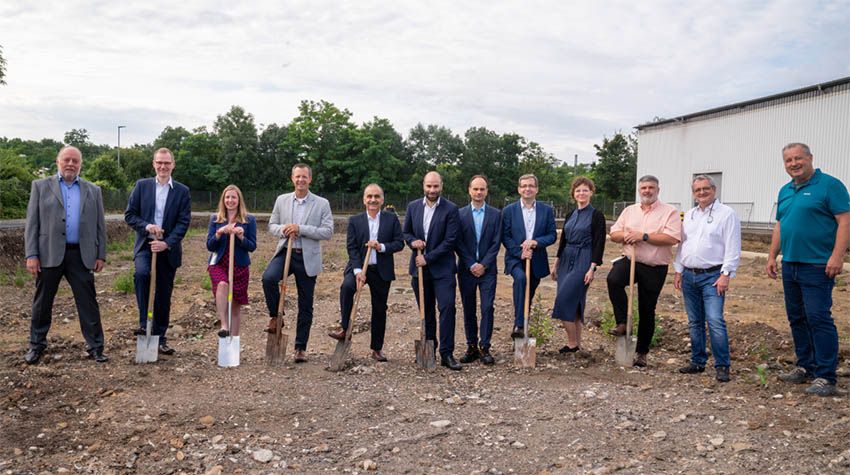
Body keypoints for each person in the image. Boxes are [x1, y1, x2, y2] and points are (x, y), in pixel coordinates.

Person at [767, 143, 850, 397]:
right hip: (790, 264)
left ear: (810, 158)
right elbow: (781, 225)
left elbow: (845, 220)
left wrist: (837, 256)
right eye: (788, 160)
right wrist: (772, 256)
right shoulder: (785, 190)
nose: (793, 163)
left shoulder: (829, 185)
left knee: (818, 318)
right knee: (797, 318)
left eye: (798, 158)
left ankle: (827, 376)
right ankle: (805, 366)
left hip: (817, 265)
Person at [23, 146, 108, 364]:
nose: (71, 164)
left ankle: (96, 347)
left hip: (81, 255)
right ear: (58, 161)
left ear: (81, 164)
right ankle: (36, 345)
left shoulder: (93, 190)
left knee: (88, 302)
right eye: (67, 160)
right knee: (42, 303)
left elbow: (100, 226)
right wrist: (31, 254)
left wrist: (101, 254)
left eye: (75, 161)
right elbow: (32, 224)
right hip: (49, 253)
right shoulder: (41, 187)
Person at [607, 175, 681, 368]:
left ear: (658, 189)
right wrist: (626, 235)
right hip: (630, 259)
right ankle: (622, 322)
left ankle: (641, 352)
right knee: (613, 280)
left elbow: (672, 238)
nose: (647, 191)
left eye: (651, 187)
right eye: (643, 188)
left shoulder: (669, 212)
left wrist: (644, 236)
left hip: (654, 267)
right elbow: (614, 233)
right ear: (639, 190)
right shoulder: (629, 211)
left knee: (647, 309)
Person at [262, 163, 333, 363]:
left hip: (307, 256)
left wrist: (300, 228)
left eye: (304, 177)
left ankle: (300, 348)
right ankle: (277, 316)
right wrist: (285, 229)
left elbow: (327, 231)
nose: (300, 180)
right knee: (268, 278)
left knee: (305, 303)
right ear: (292, 178)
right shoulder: (282, 200)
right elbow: (272, 225)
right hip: (286, 252)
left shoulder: (321, 203)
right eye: (297, 176)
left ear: (310, 179)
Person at [673, 175, 741, 383]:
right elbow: (682, 245)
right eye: (697, 190)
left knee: (715, 321)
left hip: (713, 276)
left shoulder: (727, 214)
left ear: (714, 190)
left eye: (706, 189)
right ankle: (697, 361)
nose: (701, 193)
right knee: (695, 322)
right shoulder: (690, 215)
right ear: (693, 193)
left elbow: (732, 246)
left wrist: (726, 274)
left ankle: (722, 365)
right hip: (689, 275)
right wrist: (678, 270)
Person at [125, 147, 191, 356]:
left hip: (168, 249)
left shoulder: (182, 191)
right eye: (159, 163)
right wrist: (147, 226)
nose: (163, 167)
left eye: (167, 163)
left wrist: (167, 243)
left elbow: (183, 222)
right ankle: (145, 323)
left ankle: (160, 338)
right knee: (142, 275)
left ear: (173, 165)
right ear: (153, 164)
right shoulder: (142, 186)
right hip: (146, 245)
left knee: (163, 293)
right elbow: (130, 215)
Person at [328, 184, 404, 361]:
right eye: (369, 196)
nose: (373, 200)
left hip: (381, 270)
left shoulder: (391, 219)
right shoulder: (355, 220)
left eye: (377, 196)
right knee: (346, 288)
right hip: (359, 268)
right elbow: (352, 247)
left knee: (379, 308)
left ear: (382, 200)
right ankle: (346, 328)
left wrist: (381, 246)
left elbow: (399, 243)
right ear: (364, 199)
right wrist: (357, 272)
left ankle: (376, 348)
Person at [403, 171, 462, 370]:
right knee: (426, 312)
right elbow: (406, 232)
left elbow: (450, 241)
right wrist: (412, 241)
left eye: (435, 186)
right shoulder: (413, 207)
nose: (432, 190)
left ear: (441, 186)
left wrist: (427, 258)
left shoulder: (451, 209)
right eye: (429, 186)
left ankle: (447, 353)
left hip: (443, 270)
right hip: (419, 271)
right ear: (423, 186)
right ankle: (430, 351)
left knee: (447, 309)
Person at [550, 176, 606, 354]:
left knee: (563, 300)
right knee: (573, 303)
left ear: (591, 192)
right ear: (573, 194)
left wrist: (592, 267)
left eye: (585, 190)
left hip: (584, 258)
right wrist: (556, 263)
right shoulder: (570, 215)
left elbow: (599, 243)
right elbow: (563, 241)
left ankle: (573, 344)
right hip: (566, 259)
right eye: (578, 190)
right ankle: (576, 345)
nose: (581, 193)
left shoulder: (596, 215)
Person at [502, 174, 557, 339]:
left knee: (529, 293)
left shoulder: (546, 210)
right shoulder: (509, 211)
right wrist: (520, 252)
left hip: (536, 259)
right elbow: (505, 236)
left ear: (536, 189)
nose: (527, 189)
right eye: (524, 186)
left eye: (531, 186)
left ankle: (522, 322)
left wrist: (535, 242)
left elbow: (552, 235)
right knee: (520, 279)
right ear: (519, 189)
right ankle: (519, 324)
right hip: (515, 258)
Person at [455, 175, 502, 365]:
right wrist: (470, 263)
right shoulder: (459, 215)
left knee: (487, 307)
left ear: (486, 191)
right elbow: (457, 241)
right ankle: (471, 346)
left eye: (482, 189)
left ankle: (485, 347)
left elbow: (496, 242)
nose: (478, 192)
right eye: (475, 189)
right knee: (468, 308)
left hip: (488, 270)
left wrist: (484, 264)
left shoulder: (495, 214)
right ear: (469, 190)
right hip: (466, 269)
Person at [206, 185, 257, 338]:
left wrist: (241, 237)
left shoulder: (249, 220)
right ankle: (224, 325)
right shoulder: (215, 219)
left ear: (239, 199)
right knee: (222, 285)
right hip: (219, 263)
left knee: (235, 307)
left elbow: (252, 246)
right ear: (223, 200)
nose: (230, 200)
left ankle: (233, 341)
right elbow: (210, 245)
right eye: (227, 197)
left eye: (233, 197)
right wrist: (219, 233)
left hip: (239, 266)